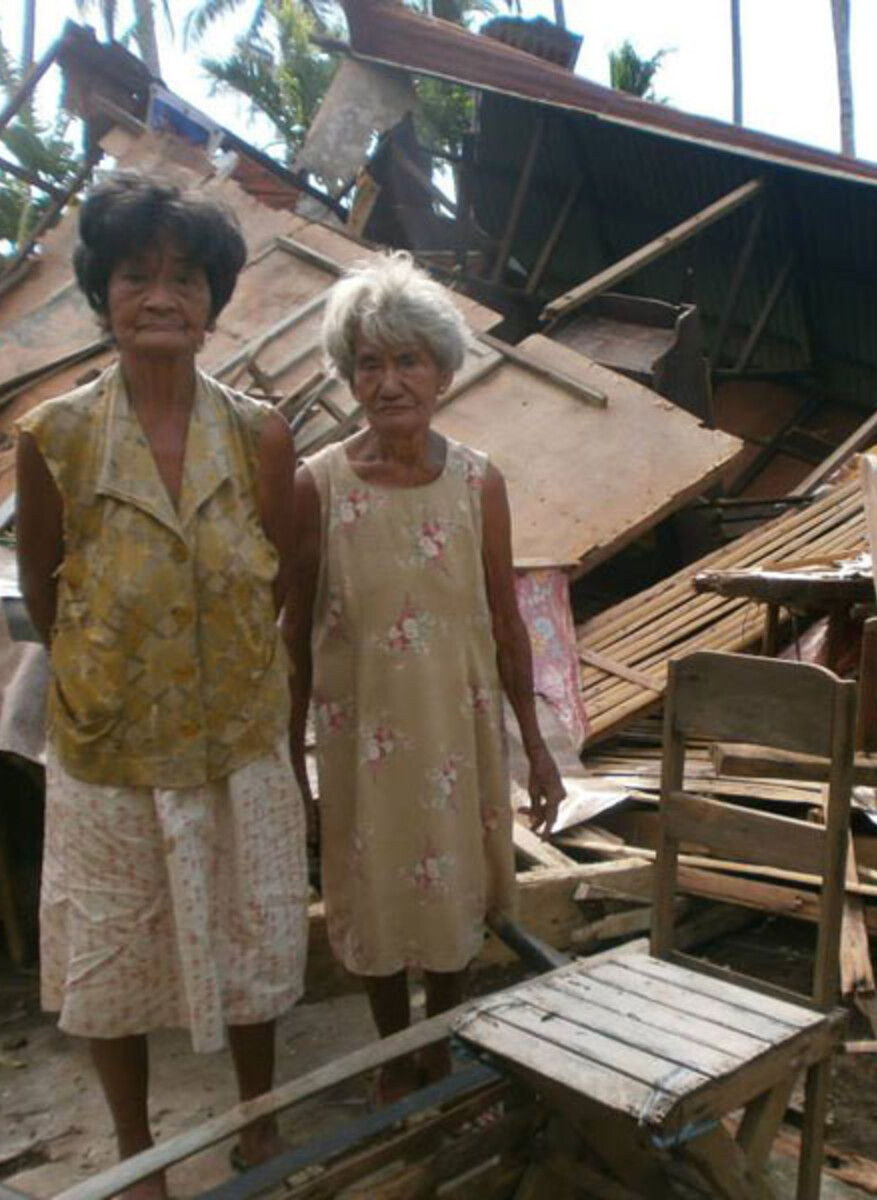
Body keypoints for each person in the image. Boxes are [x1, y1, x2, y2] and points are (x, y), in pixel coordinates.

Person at [15, 173, 308, 1197]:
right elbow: (42, 587)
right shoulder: (53, 435)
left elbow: (288, 573)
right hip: (107, 744)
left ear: (213, 302)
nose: (161, 296)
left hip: (236, 733)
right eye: (136, 275)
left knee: (255, 933)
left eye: (184, 277)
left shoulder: (260, 434)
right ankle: (138, 1152)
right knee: (111, 952)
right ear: (103, 295)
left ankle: (260, 1120)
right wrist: (112, 675)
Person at [287, 252, 565, 1103]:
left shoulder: (480, 482)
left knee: (455, 893)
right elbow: (293, 633)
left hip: (457, 732)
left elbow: (504, 620)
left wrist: (538, 748)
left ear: (444, 370)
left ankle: (440, 1044)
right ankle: (390, 1051)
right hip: (360, 739)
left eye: (409, 359)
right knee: (368, 900)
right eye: (369, 362)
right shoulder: (318, 486)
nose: (390, 380)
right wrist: (287, 763)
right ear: (349, 377)